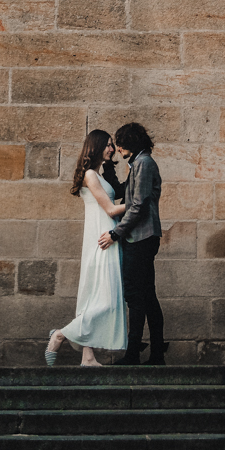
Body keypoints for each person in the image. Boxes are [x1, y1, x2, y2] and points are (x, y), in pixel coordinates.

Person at [46, 129, 127, 366]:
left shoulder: (98, 174)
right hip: (102, 239)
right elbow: (110, 209)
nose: (112, 149)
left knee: (96, 297)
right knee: (106, 300)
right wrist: (141, 201)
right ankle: (60, 334)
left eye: (112, 145)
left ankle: (88, 357)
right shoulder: (90, 175)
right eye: (108, 145)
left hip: (107, 237)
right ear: (96, 146)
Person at [100, 121, 165, 365]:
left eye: (120, 144)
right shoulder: (137, 163)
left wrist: (115, 233)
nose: (117, 148)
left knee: (135, 295)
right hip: (140, 237)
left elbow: (138, 206)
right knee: (146, 296)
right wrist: (108, 166)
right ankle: (156, 355)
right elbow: (121, 192)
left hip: (141, 238)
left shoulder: (144, 163)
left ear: (131, 143)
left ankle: (133, 355)